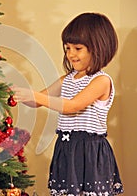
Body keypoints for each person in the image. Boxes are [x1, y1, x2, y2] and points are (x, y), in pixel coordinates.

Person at [12, 12, 124, 195]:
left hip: (90, 151)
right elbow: (38, 100)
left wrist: (35, 96)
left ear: (98, 48)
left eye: (77, 48)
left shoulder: (101, 81)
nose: (71, 54)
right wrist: (18, 93)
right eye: (67, 48)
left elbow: (72, 106)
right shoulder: (67, 79)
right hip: (66, 149)